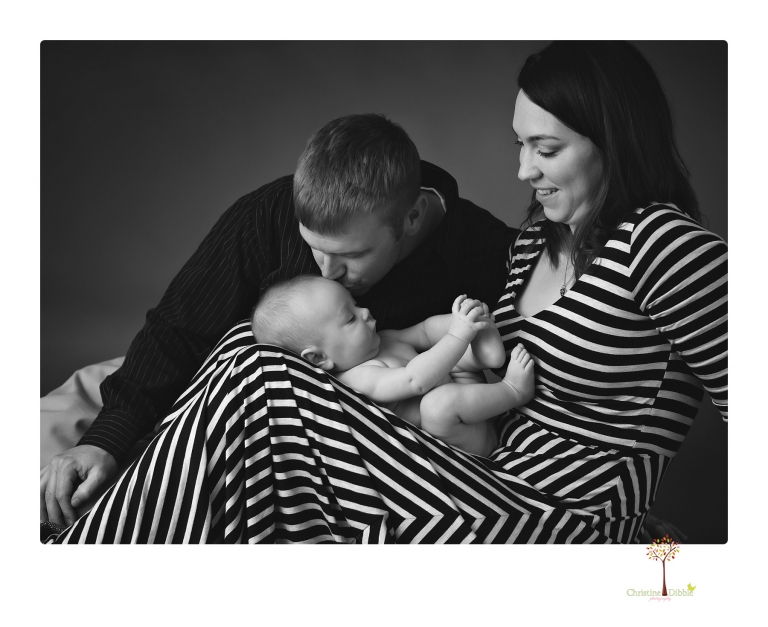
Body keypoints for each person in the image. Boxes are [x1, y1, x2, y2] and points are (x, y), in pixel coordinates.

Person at [47, 41, 726, 545]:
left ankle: (75, 566)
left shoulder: (662, 244)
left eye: (544, 150)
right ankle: (104, 547)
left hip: (568, 517)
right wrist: (110, 436)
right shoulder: (529, 245)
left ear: (611, 143)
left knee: (261, 380)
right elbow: (181, 332)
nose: (522, 170)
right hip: (470, 468)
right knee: (244, 346)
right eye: (519, 145)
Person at [40, 113, 518, 528]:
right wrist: (105, 442)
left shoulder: (482, 250)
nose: (327, 272)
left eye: (351, 255)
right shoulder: (266, 215)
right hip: (231, 416)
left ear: (411, 218)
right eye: (314, 248)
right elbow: (178, 331)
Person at [251, 276, 534, 456]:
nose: (365, 313)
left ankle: (489, 356)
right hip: (462, 438)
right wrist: (458, 335)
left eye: (357, 304)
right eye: (350, 319)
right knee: (436, 404)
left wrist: (459, 321)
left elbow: (423, 332)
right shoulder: (359, 380)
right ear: (318, 359)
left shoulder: (381, 339)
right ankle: (512, 390)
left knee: (442, 345)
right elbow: (415, 380)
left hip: (467, 397)